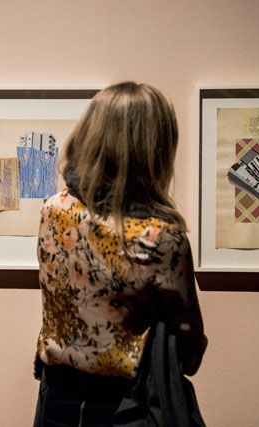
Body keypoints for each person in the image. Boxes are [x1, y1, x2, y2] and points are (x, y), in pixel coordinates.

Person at [33, 82, 208, 426]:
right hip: (127, 409)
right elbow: (190, 354)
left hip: (57, 402)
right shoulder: (160, 237)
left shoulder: (54, 209)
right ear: (153, 150)